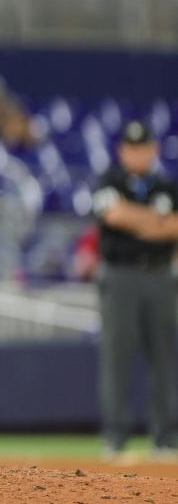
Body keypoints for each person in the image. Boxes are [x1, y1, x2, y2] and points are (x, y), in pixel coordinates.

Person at [89, 121, 178, 458]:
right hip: (120, 275)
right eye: (131, 148)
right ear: (122, 151)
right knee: (117, 356)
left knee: (165, 358)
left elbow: (175, 226)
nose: (138, 154)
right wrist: (157, 223)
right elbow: (113, 217)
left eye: (144, 148)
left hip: (159, 276)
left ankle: (166, 439)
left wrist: (134, 219)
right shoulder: (109, 180)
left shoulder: (166, 185)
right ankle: (116, 438)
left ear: (153, 150)